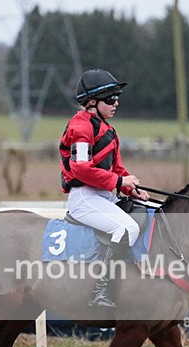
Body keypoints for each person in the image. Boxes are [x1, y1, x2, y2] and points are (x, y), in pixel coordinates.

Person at [59, 68, 150, 308]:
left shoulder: (108, 129)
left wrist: (131, 188)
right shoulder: (80, 127)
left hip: (102, 196)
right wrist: (119, 183)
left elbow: (117, 169)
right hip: (84, 198)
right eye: (110, 98)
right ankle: (100, 291)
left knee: (146, 211)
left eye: (117, 97)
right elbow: (80, 169)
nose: (116, 103)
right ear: (91, 102)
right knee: (128, 227)